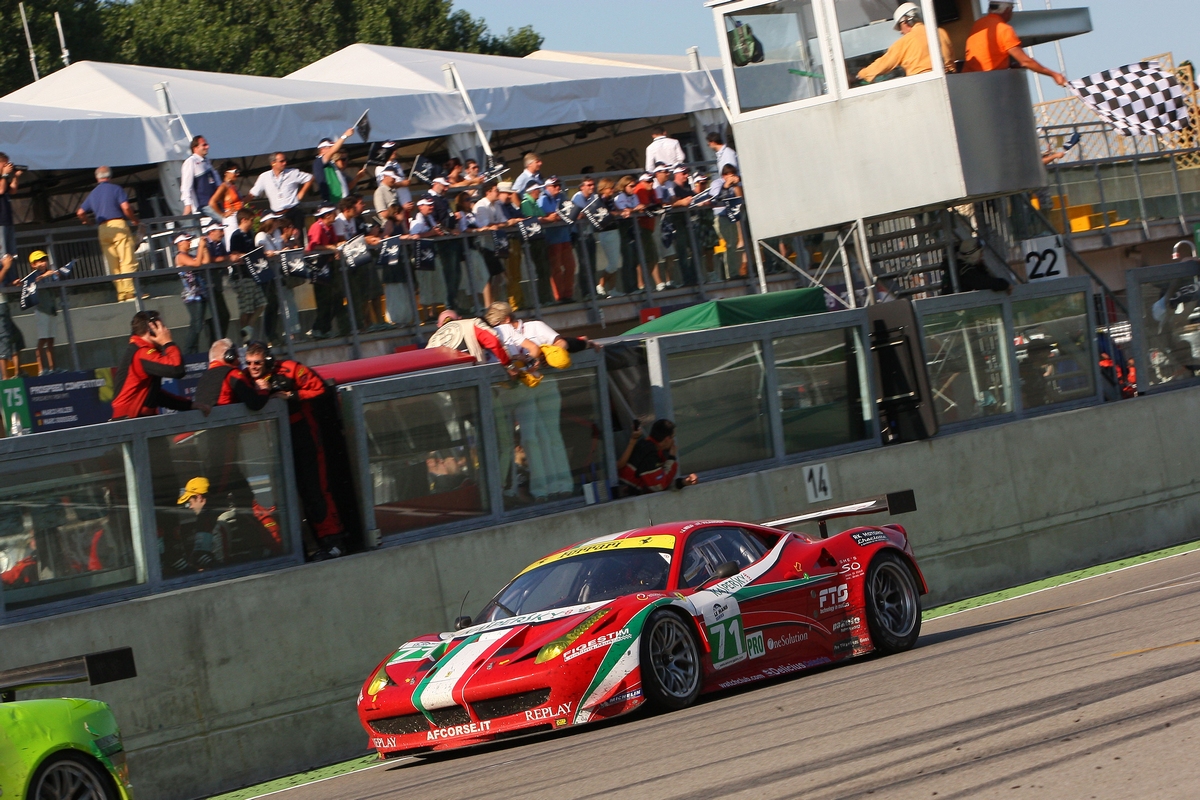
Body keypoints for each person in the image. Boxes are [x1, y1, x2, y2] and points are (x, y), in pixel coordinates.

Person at [244, 342, 350, 559]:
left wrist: (291, 396)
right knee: (281, 497)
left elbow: (320, 389)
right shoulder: (244, 378)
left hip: (304, 436)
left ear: (269, 361)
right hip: (271, 441)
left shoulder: (291, 369)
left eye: (258, 363)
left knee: (314, 490)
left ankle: (333, 542)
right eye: (249, 363)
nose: (253, 367)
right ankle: (295, 547)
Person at [486, 302, 577, 503]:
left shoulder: (534, 326)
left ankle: (563, 484)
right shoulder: (503, 335)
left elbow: (561, 342)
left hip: (545, 384)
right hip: (524, 389)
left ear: (507, 320)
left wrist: (546, 353)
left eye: (496, 324)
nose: (494, 329)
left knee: (551, 434)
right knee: (531, 438)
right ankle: (541, 488)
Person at [963, 1, 1067, 85]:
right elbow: (1025, 61)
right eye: (1012, 9)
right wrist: (1053, 74)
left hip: (969, 82)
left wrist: (1009, 64)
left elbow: (986, 56)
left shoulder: (978, 24)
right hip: (989, 84)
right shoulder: (1004, 29)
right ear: (1007, 10)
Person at [111, 310, 190, 419]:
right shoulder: (142, 353)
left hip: (134, 419)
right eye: (162, 327)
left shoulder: (140, 350)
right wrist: (168, 343)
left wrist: (190, 405)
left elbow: (154, 395)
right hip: (132, 421)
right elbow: (177, 369)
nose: (166, 330)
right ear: (152, 330)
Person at [77, 166, 139, 303]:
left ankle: (121, 294)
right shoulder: (116, 189)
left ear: (97, 178)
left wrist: (88, 222)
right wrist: (134, 220)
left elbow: (80, 212)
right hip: (118, 225)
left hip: (102, 228)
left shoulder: (93, 193)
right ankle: (129, 293)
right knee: (127, 259)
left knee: (113, 264)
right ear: (110, 176)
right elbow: (126, 207)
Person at [857, 3, 953, 84]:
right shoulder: (941, 32)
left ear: (905, 22)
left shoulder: (905, 41)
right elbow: (951, 59)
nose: (901, 32)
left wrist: (862, 74)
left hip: (923, 84)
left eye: (899, 28)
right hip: (949, 81)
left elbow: (884, 63)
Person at [617, 418, 698, 496]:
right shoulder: (649, 452)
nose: (673, 442)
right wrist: (671, 459)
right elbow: (659, 486)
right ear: (667, 439)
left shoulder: (650, 447)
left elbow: (661, 483)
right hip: (627, 496)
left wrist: (684, 482)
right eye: (672, 437)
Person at [193, 338, 273, 414]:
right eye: (237, 356)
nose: (238, 362)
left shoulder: (203, 378)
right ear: (229, 356)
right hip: (229, 424)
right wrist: (264, 389)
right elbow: (255, 403)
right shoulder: (232, 373)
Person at [248, 152, 314, 233]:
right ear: (273, 163)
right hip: (276, 215)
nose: (285, 163)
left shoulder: (292, 173)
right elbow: (253, 193)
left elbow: (310, 178)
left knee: (297, 239)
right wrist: (241, 205)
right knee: (280, 240)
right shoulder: (264, 177)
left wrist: (301, 193)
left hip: (293, 211)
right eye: (281, 161)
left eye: (285, 160)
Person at [228, 209, 268, 341]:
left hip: (252, 275)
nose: (252, 223)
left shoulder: (250, 234)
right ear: (243, 220)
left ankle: (248, 329)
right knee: (246, 309)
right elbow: (235, 255)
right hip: (241, 276)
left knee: (262, 303)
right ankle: (244, 338)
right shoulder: (236, 236)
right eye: (251, 220)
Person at [306, 205, 344, 339]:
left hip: (329, 267)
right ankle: (317, 329)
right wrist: (330, 248)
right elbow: (314, 246)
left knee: (335, 298)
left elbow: (333, 242)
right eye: (334, 213)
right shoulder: (317, 227)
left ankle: (325, 328)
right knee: (323, 300)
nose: (335, 216)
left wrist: (338, 247)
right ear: (327, 215)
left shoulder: (330, 227)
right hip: (319, 268)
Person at [541, 177, 577, 303]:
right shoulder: (543, 199)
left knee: (570, 266)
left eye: (559, 185)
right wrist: (559, 216)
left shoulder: (562, 197)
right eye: (554, 185)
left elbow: (571, 211)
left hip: (564, 236)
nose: (558, 188)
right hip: (552, 239)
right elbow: (550, 216)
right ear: (547, 187)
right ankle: (559, 297)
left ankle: (568, 294)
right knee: (556, 269)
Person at [174, 233, 211, 355]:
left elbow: (205, 261)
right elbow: (196, 264)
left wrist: (204, 248)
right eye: (187, 240)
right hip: (191, 296)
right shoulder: (180, 256)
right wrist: (200, 247)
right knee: (196, 324)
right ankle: (189, 351)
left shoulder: (189, 256)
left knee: (198, 323)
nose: (189, 242)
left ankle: (193, 350)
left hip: (199, 294)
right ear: (179, 243)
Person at [25, 251, 60, 374]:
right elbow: (33, 281)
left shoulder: (49, 274)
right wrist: (46, 275)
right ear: (33, 264)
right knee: (42, 340)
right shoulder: (33, 276)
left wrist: (57, 275)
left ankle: (53, 368)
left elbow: (56, 285)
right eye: (39, 261)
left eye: (44, 260)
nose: (43, 263)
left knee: (51, 340)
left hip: (51, 309)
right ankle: (41, 369)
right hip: (41, 310)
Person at [202, 222, 232, 339]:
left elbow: (224, 258)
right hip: (208, 286)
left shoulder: (219, 244)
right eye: (220, 231)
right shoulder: (206, 244)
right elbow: (209, 260)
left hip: (216, 285)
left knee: (223, 315)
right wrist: (227, 258)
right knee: (220, 315)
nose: (222, 233)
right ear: (211, 232)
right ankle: (216, 342)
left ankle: (218, 340)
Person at [180, 135, 221, 219]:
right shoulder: (191, 161)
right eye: (204, 145)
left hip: (215, 202)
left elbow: (216, 180)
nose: (207, 147)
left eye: (207, 144)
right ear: (195, 148)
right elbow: (186, 185)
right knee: (226, 221)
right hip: (205, 204)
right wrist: (188, 204)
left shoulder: (206, 161)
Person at [311, 129, 357, 203]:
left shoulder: (331, 164)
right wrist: (345, 135)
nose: (333, 150)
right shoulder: (319, 161)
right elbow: (333, 150)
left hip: (341, 200)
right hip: (334, 200)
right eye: (329, 147)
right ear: (322, 149)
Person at [0, 154, 23, 287]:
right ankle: (4, 280)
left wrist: (16, 176)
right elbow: (1, 190)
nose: (7, 167)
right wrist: (4, 175)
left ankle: (12, 278)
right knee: (3, 254)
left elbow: (12, 190)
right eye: (4, 164)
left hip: (7, 221)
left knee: (11, 252)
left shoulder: (3, 178)